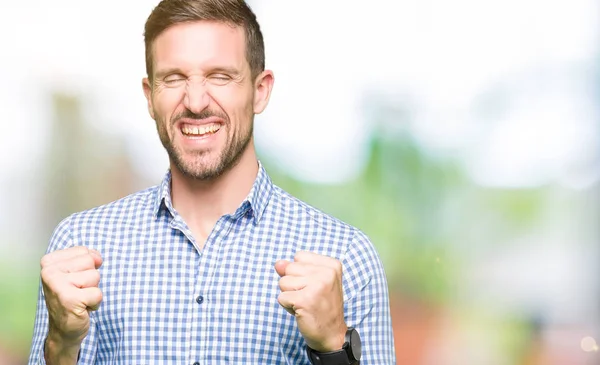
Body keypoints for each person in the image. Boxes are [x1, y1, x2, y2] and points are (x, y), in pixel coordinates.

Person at [28, 0, 396, 364]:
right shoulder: (80, 247)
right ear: (150, 96)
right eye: (174, 78)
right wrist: (61, 345)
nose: (196, 101)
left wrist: (332, 347)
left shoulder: (346, 257)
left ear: (260, 90)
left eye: (220, 75)